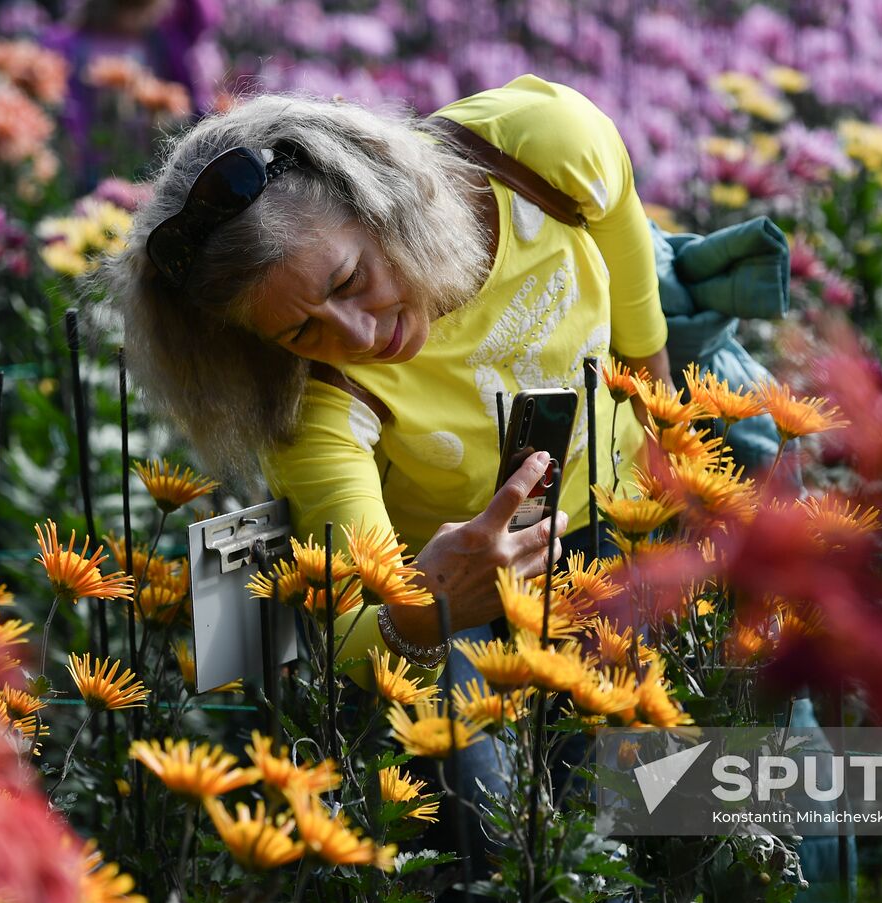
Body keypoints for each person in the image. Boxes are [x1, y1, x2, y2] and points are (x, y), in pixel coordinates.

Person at [108, 74, 671, 679]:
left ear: (383, 199)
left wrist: (675, 477)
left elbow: (642, 335)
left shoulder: (539, 149)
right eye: (301, 334)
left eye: (349, 281)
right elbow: (351, 632)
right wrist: (424, 614)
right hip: (456, 590)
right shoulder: (314, 405)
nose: (358, 337)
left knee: (640, 768)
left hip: (624, 513)